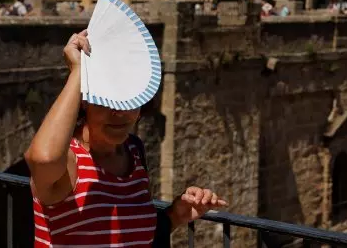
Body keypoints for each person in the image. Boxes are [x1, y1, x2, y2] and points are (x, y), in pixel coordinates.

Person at [25, 31, 227, 247]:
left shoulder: (134, 151)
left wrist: (175, 216)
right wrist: (78, 72)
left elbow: (123, 235)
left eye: (130, 100)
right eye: (108, 100)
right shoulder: (70, 159)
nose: (120, 112)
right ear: (85, 101)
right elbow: (43, 158)